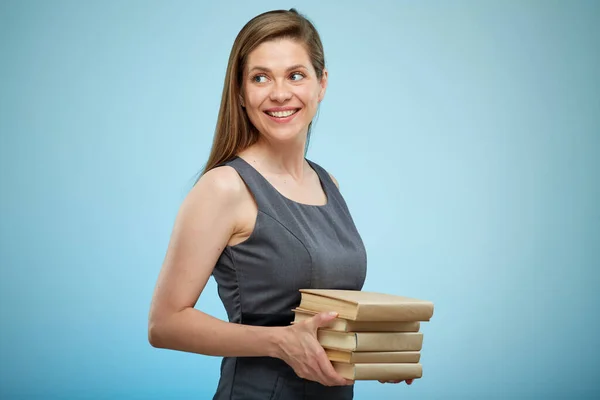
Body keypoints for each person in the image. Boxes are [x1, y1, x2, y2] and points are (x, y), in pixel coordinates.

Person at [148, 8, 412, 399]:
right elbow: (164, 324)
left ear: (321, 85)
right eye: (260, 78)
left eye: (296, 75)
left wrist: (373, 354)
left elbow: (325, 315)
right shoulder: (225, 187)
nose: (280, 93)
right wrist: (279, 343)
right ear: (240, 91)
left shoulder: (329, 184)